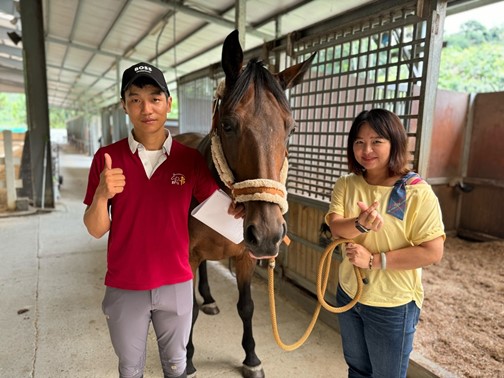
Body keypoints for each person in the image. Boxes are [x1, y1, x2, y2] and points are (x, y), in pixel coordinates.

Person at [83, 62, 242, 378]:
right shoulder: (106, 158)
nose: (147, 108)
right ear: (124, 105)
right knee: (130, 369)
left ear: (169, 103)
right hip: (125, 285)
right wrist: (102, 193)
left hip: (177, 283)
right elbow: (95, 228)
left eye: (155, 98)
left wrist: (259, 225)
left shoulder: (189, 159)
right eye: (135, 99)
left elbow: (221, 210)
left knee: (176, 366)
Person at [325, 108, 445, 378]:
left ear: (395, 142)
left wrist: (373, 261)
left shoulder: (417, 191)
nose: (366, 149)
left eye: (377, 141)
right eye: (359, 141)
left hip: (392, 303)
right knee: (357, 368)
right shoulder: (346, 184)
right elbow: (335, 226)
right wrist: (359, 224)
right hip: (349, 291)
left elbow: (433, 251)